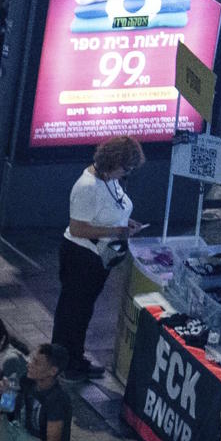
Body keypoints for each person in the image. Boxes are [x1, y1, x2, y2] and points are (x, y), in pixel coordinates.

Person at [51, 136, 139, 375]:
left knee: (81, 310)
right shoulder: (88, 187)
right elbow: (78, 228)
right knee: (73, 313)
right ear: (112, 162)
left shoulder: (108, 180)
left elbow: (109, 209)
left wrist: (124, 221)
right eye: (125, 168)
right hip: (81, 258)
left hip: (96, 257)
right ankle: (66, 363)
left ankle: (71, 357)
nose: (126, 173)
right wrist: (116, 230)